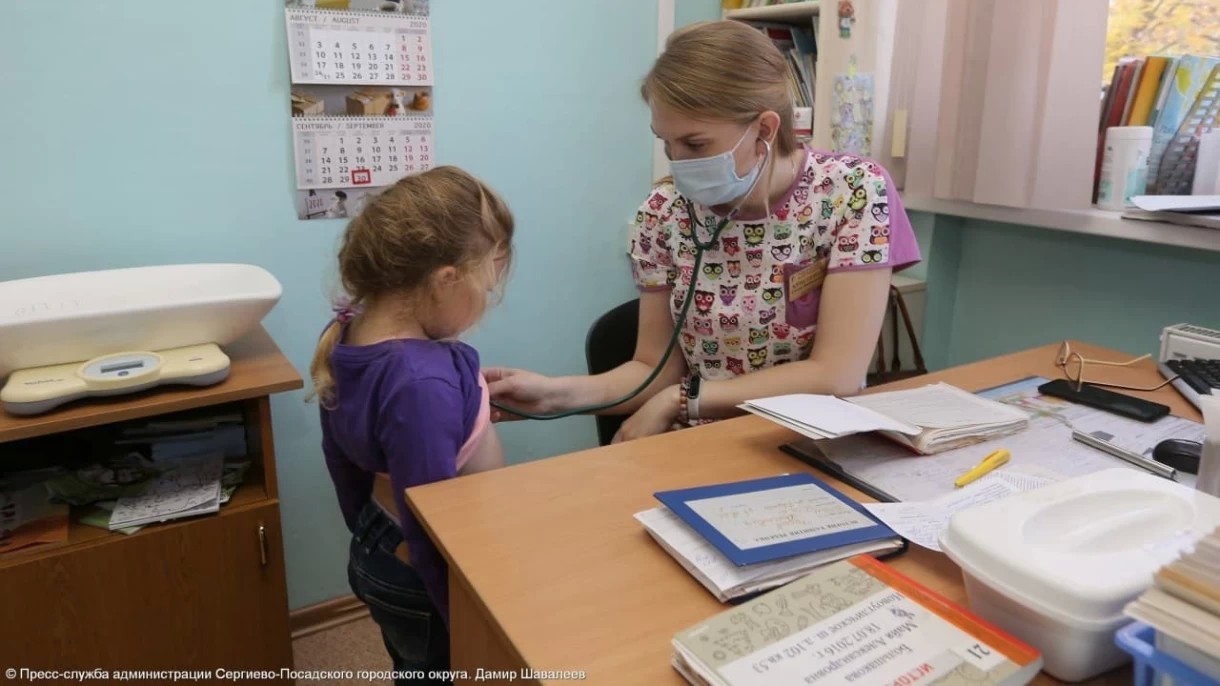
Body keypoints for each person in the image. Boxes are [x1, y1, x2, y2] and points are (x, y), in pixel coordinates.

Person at [485, 20, 921, 442]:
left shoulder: (854, 193)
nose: (678, 163)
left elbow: (837, 373)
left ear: (764, 130)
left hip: (812, 441)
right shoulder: (662, 214)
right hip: (698, 446)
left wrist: (686, 398)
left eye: (695, 145)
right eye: (666, 143)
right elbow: (653, 368)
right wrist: (554, 394)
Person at [308, 166, 514, 684]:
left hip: (380, 544)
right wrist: (469, 619)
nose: (488, 300)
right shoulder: (419, 383)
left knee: (413, 663)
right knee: (437, 668)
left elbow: (339, 460)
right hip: (421, 568)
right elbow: (428, 521)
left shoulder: (350, 334)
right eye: (487, 283)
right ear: (446, 280)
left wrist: (469, 408)